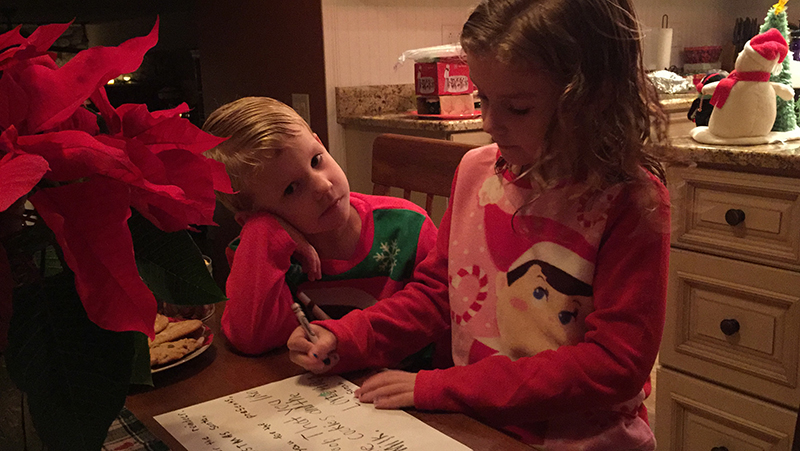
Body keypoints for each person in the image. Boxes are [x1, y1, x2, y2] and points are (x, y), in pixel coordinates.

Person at [288, 0, 671, 448]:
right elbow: (438, 294)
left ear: (593, 100)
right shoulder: (475, 171)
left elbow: (614, 365)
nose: (489, 123)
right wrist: (347, 337)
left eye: (518, 109)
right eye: (482, 98)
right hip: (478, 428)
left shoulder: (629, 202)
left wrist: (443, 386)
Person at [202, 97, 439, 356]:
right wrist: (263, 231)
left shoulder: (408, 227)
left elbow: (442, 313)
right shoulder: (257, 253)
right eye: (291, 189)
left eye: (316, 160)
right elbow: (250, 338)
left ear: (320, 143)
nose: (323, 186)